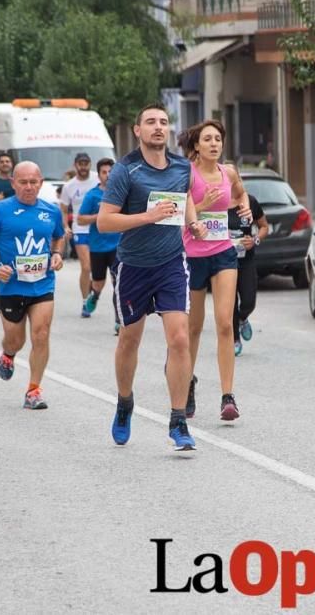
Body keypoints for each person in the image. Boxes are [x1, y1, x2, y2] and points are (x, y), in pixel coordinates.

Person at [97, 102, 206, 452]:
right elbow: (105, 221)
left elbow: (185, 196)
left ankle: (178, 421)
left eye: (163, 121)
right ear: (137, 130)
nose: (158, 127)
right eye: (150, 122)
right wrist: (147, 216)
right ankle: (125, 401)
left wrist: (193, 221)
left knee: (179, 339)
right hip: (133, 267)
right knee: (130, 340)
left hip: (172, 264)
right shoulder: (125, 172)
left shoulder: (181, 166)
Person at [0, 161, 65, 410]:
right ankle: (9, 353)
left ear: (41, 183)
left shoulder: (52, 211)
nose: (28, 187)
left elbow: (59, 235)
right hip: (11, 287)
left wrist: (57, 253)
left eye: (33, 182)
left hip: (42, 284)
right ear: (13, 183)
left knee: (41, 333)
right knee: (15, 340)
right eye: (23, 182)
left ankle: (33, 390)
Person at [181, 120, 252, 422]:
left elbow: (239, 193)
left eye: (218, 139)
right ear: (196, 145)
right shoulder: (186, 173)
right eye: (207, 139)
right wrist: (201, 205)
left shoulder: (229, 172)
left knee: (225, 323)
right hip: (192, 254)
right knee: (193, 328)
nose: (213, 144)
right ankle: (186, 384)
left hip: (223, 252)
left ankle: (228, 396)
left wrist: (244, 207)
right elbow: (183, 210)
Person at [77, 157, 121, 332]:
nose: (108, 175)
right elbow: (80, 219)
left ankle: (119, 321)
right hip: (98, 247)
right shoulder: (92, 195)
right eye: (104, 172)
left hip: (118, 246)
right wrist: (100, 217)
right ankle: (94, 295)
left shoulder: (121, 193)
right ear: (99, 175)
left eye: (111, 172)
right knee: (98, 282)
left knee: (119, 284)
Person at [60, 152, 99, 315]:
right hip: (80, 228)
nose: (83, 167)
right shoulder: (69, 186)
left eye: (86, 163)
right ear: (75, 165)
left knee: (98, 268)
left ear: (90, 164)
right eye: (80, 164)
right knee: (86, 266)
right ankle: (85, 302)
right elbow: (63, 209)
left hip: (99, 228)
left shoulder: (98, 179)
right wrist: (65, 226)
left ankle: (94, 291)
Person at [230, 192, 268, 356]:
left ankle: (242, 318)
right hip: (225, 261)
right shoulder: (217, 201)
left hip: (246, 259)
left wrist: (254, 241)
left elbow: (264, 227)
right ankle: (235, 340)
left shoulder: (250, 201)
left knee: (249, 300)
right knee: (230, 303)